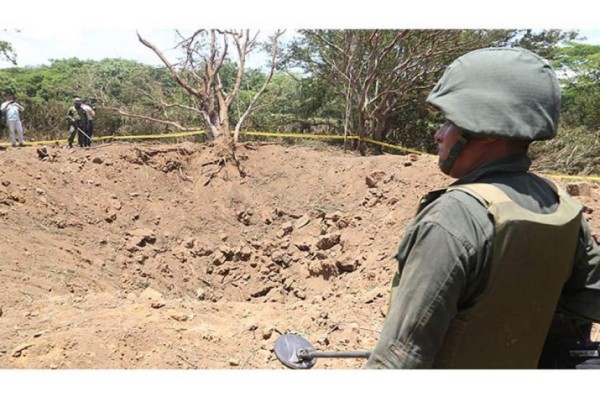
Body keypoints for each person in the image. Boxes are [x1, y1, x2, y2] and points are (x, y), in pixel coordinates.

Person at [364, 47, 600, 369]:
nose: (438, 134)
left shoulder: (454, 218)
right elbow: (584, 307)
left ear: (486, 131)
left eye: (449, 121)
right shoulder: (562, 206)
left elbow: (399, 359)